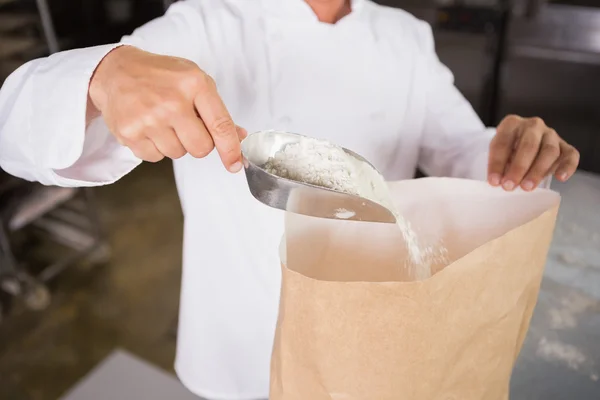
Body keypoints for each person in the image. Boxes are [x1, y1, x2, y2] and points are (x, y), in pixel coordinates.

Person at [0, 0, 580, 399]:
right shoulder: (205, 24)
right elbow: (13, 132)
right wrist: (101, 77)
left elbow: (457, 147)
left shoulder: (404, 34)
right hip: (243, 341)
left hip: (376, 325)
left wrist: (510, 153)